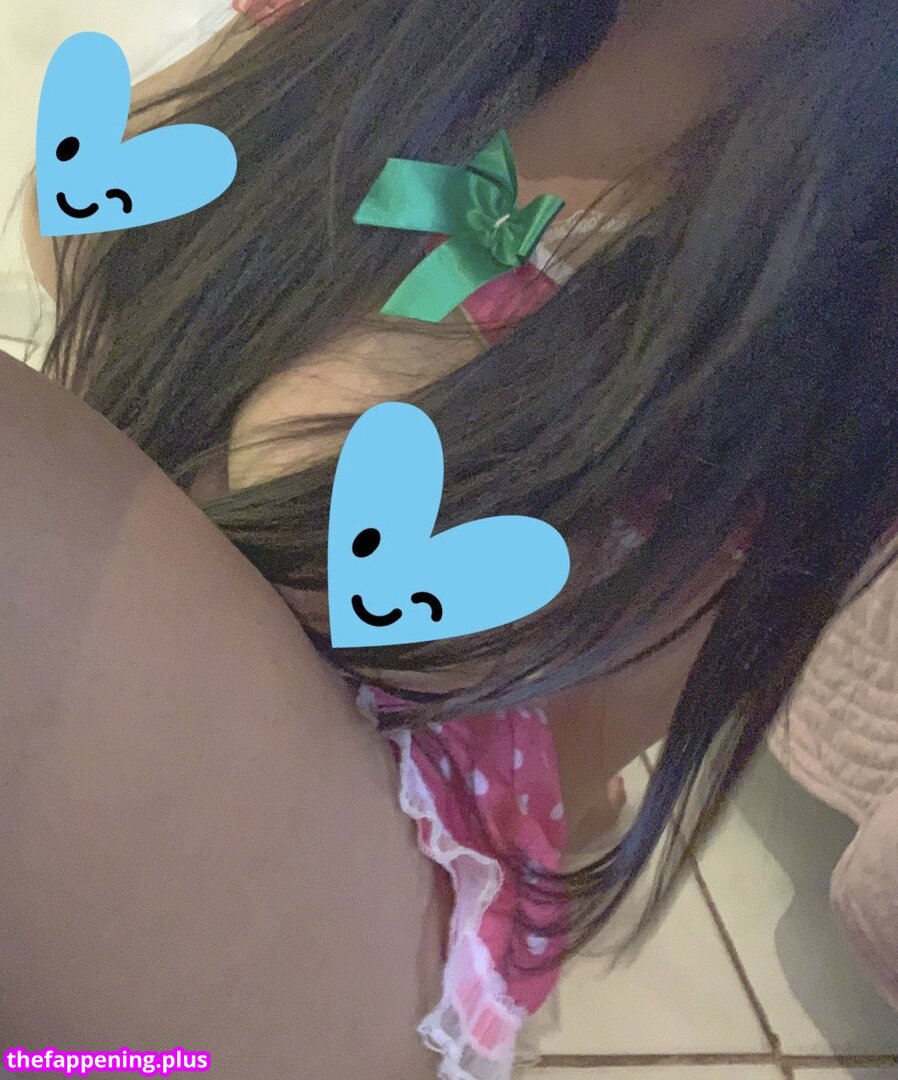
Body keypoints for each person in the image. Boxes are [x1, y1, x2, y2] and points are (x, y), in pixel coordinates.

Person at [11, 0, 898, 1076]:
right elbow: (83, 229)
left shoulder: (795, 344)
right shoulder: (399, 44)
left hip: (350, 871)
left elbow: (570, 759)